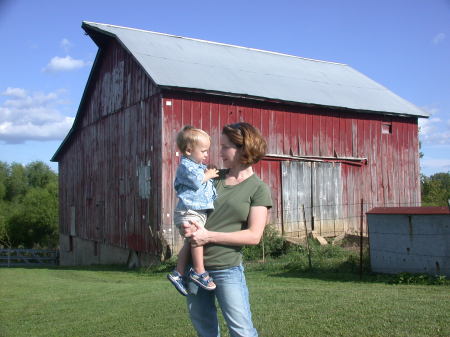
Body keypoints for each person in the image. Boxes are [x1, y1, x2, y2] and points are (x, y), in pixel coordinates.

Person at [182, 122, 272, 337]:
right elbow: (190, 205)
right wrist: (186, 224)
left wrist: (208, 236)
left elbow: (253, 236)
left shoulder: (258, 189)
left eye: (225, 146)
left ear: (243, 148)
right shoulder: (213, 178)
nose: (219, 151)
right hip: (194, 269)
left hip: (226, 269)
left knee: (241, 331)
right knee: (205, 330)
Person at [167, 125, 219, 296]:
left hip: (195, 211)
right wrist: (209, 175)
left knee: (190, 242)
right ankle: (199, 271)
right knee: (197, 240)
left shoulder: (196, 165)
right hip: (189, 211)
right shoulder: (186, 166)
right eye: (203, 151)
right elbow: (197, 182)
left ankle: (179, 273)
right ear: (189, 150)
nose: (206, 154)